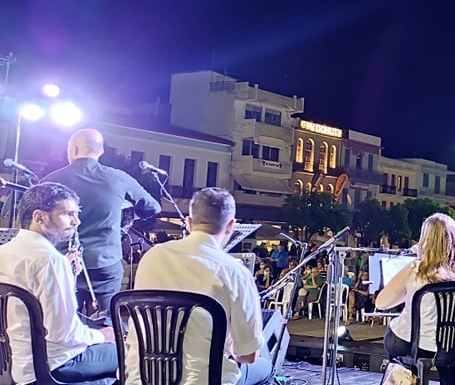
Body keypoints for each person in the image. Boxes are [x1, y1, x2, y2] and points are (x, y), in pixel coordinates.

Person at [126, 187, 272, 384]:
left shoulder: (151, 257)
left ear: (188, 222)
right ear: (231, 226)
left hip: (143, 378)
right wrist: (230, 345)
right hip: (204, 380)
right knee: (265, 368)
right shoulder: (235, 272)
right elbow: (247, 356)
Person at [0, 182, 117, 384]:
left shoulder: (8, 249)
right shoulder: (49, 260)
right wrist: (102, 336)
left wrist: (65, 273)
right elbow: (64, 334)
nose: (77, 221)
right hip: (56, 364)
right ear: (40, 217)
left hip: (17, 366)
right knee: (131, 354)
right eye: (68, 214)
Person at [42, 129, 161, 326]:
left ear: (74, 149)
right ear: (101, 151)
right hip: (105, 263)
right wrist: (130, 215)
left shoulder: (50, 181)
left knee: (62, 322)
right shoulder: (118, 178)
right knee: (105, 323)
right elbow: (153, 207)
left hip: (63, 262)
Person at [375, 213, 455, 385]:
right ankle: (448, 380)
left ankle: (407, 375)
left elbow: (381, 303)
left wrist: (407, 294)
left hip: (420, 344)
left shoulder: (416, 269)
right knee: (445, 347)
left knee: (392, 337)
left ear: (425, 239)